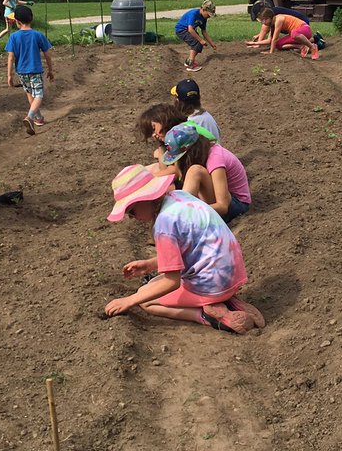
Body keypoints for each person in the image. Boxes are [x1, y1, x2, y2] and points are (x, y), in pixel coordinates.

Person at [104, 164, 264, 334]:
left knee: (145, 299)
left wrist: (129, 300)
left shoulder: (164, 225)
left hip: (212, 285)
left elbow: (171, 282)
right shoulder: (180, 197)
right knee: (151, 286)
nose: (132, 218)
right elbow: (192, 249)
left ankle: (207, 316)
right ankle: (227, 301)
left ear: (143, 200)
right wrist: (150, 265)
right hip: (232, 274)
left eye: (132, 211)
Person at [159, 122, 252, 223]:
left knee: (195, 171)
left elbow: (223, 206)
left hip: (237, 205)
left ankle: (183, 213)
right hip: (223, 200)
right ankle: (182, 210)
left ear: (189, 151)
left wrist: (193, 214)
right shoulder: (204, 153)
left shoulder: (215, 159)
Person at [5, 5, 54, 135]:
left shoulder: (14, 37)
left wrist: (9, 75)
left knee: (30, 94)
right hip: (35, 70)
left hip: (21, 72)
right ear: (31, 19)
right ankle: (30, 117)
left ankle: (38, 118)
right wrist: (50, 69)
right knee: (39, 94)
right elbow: (47, 54)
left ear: (17, 21)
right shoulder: (37, 35)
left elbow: (11, 57)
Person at [247, 6, 319, 59]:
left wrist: (271, 52)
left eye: (263, 20)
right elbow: (270, 40)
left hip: (305, 29)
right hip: (295, 34)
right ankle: (302, 46)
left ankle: (312, 46)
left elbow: (275, 38)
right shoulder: (272, 24)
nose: (263, 23)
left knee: (293, 33)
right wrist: (254, 43)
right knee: (278, 45)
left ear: (269, 18)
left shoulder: (279, 19)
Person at [174, 0, 217, 72]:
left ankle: (188, 61)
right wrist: (200, 40)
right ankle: (191, 65)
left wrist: (211, 43)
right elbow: (190, 29)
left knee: (199, 44)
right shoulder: (194, 14)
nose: (209, 17)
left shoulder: (204, 18)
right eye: (208, 14)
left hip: (190, 30)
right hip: (181, 30)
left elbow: (204, 31)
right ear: (203, 9)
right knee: (196, 43)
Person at [246, 4, 310, 49]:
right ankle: (313, 40)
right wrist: (258, 38)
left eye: (260, 19)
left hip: (302, 25)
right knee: (282, 42)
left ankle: (309, 44)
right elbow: (269, 32)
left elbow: (266, 30)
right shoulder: (271, 13)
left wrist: (258, 44)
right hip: (301, 24)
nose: (261, 21)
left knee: (293, 38)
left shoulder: (272, 15)